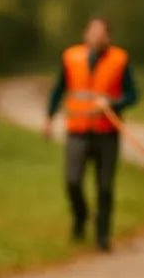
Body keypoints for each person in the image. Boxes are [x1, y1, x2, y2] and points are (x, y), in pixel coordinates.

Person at [44, 17, 138, 251]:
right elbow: (59, 88)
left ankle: (103, 237)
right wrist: (49, 118)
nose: (96, 36)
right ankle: (80, 217)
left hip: (107, 132)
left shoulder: (120, 60)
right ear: (85, 34)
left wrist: (113, 103)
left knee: (105, 187)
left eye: (101, 33)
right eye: (92, 32)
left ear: (108, 37)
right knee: (72, 181)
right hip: (77, 130)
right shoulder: (71, 57)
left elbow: (133, 94)